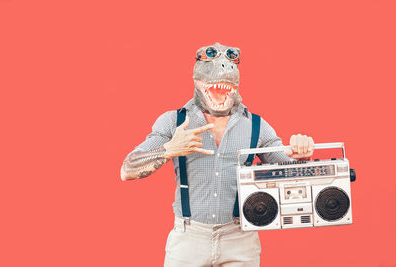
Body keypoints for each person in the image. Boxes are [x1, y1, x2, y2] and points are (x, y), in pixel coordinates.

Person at [120, 42, 314, 267]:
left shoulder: (257, 126)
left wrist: (302, 152)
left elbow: (291, 169)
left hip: (240, 238)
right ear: (197, 81)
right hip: (188, 239)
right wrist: (170, 149)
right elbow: (127, 170)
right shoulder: (174, 122)